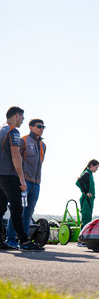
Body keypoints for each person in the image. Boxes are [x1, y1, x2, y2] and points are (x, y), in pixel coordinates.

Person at [0, 107, 43, 251]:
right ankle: (24, 242)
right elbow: (15, 155)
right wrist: (22, 178)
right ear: (16, 115)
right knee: (17, 209)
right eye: (22, 117)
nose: (23, 120)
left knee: (0, 209)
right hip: (9, 176)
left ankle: (2, 241)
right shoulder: (13, 131)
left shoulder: (1, 129)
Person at [76, 159, 99, 227]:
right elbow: (79, 181)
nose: (97, 169)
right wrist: (86, 192)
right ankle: (83, 236)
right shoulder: (87, 173)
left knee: (88, 219)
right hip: (86, 199)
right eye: (96, 167)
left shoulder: (90, 174)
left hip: (89, 200)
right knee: (86, 220)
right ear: (91, 165)